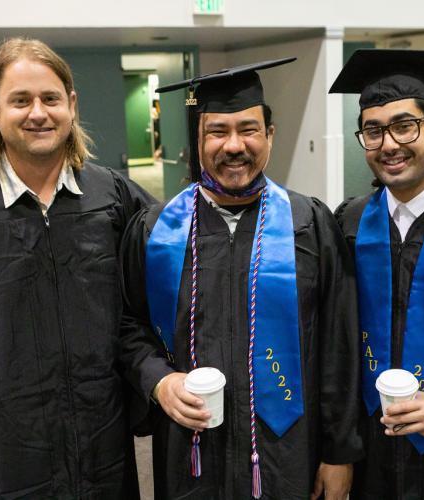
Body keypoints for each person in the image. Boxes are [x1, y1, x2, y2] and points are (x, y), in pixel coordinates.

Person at [120, 58, 363, 499]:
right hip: (189, 454)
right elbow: (128, 326)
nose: (234, 145)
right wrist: (158, 380)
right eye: (217, 131)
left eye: (249, 129)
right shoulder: (156, 232)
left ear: (270, 135)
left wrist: (339, 452)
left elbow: (338, 344)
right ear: (197, 139)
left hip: (287, 456)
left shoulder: (308, 225)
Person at [0, 37, 153, 499]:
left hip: (101, 437)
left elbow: (172, 273)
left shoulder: (112, 196)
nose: (38, 113)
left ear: (71, 104)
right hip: (6, 448)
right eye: (20, 101)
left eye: (50, 98)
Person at [330, 49, 424, 499]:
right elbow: (333, 343)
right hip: (373, 450)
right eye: (373, 130)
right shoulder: (347, 223)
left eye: (404, 125)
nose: (388, 144)